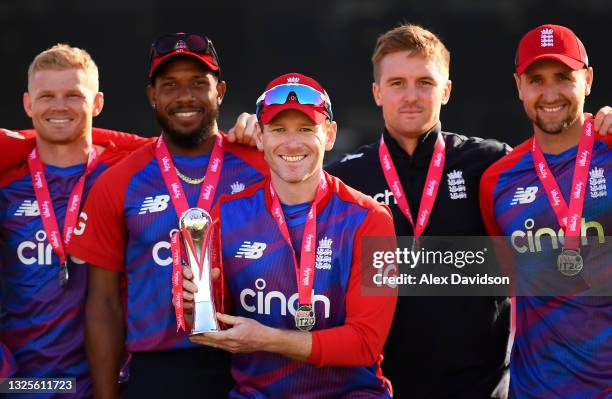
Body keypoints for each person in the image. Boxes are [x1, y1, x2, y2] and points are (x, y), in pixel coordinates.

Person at [68, 33, 267, 398]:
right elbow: (103, 305)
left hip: (254, 368)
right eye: (170, 85)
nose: (185, 96)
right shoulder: (118, 182)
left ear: (219, 91)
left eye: (198, 83)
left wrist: (271, 135)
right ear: (152, 96)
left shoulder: (263, 166)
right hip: (158, 374)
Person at [181, 72, 397, 398]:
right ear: (261, 137)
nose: (292, 143)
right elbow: (217, 323)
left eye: (306, 129)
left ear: (330, 135)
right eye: (279, 130)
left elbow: (365, 343)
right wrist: (193, 308)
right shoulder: (225, 214)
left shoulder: (372, 220)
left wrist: (267, 339)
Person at [0, 44, 147, 398]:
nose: (59, 106)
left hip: (117, 384)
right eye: (47, 95)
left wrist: (247, 133)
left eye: (73, 95)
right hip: (24, 386)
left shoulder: (129, 178)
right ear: (27, 104)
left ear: (97, 103)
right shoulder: (6, 185)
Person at [480, 24, 612, 398]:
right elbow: (505, 278)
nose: (550, 93)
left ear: (587, 80)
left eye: (563, 77)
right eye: (536, 79)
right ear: (519, 85)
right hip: (535, 390)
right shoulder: (497, 180)